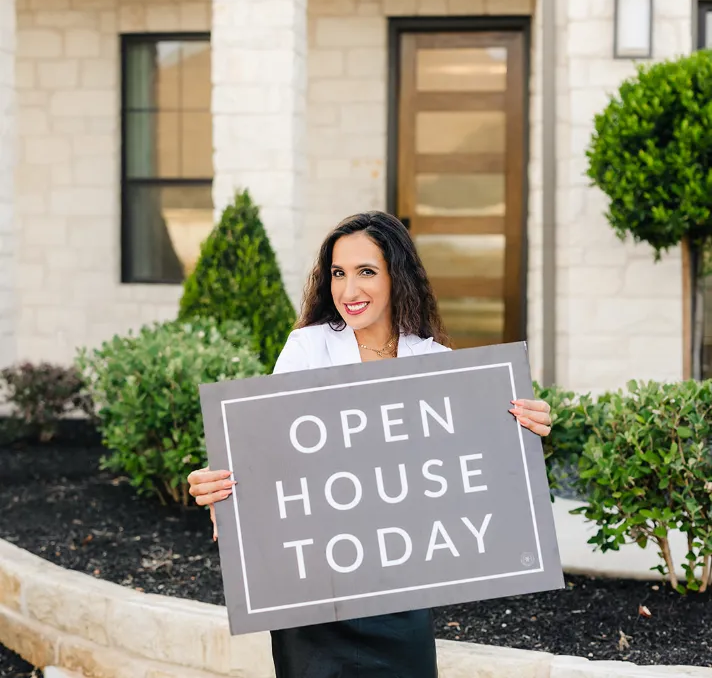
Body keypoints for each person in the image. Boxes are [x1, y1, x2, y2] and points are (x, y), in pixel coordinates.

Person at [187, 211, 552, 678]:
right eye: (338, 273)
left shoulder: (435, 362)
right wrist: (217, 484)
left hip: (397, 590)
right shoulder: (308, 348)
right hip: (313, 594)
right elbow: (265, 451)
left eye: (366, 272)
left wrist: (524, 431)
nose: (348, 290)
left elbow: (471, 470)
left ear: (397, 277)